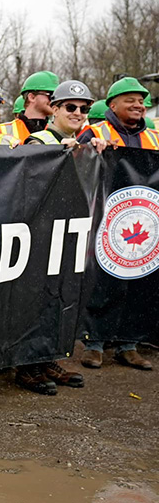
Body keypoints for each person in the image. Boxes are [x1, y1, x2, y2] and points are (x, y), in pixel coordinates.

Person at [77, 77, 159, 372]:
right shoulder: (94, 131)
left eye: (142, 101)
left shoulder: (155, 137)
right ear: (112, 104)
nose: (138, 105)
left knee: (139, 281)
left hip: (142, 220)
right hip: (104, 220)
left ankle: (129, 343)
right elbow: (79, 166)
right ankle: (95, 342)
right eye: (131, 100)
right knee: (102, 281)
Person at [0, 71, 60, 143]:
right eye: (51, 96)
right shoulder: (0, 131)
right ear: (32, 97)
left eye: (57, 96)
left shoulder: (58, 133)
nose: (55, 101)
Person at [25, 80, 92, 145]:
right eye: (71, 108)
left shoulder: (78, 145)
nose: (77, 113)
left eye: (84, 109)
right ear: (55, 110)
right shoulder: (37, 143)